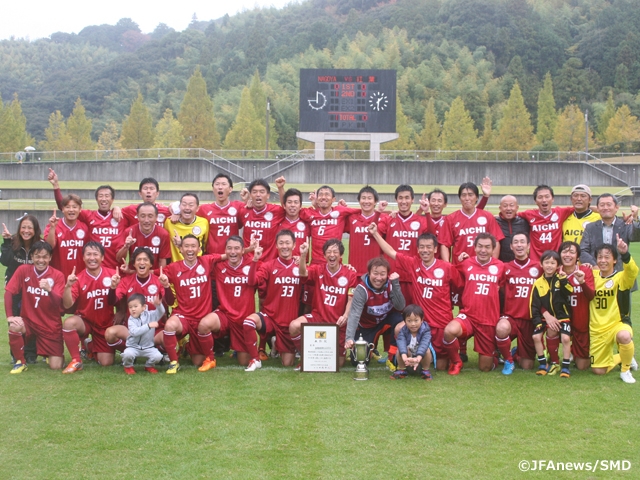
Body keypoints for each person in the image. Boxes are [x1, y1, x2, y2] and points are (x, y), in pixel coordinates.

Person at [369, 224, 459, 372]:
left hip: (441, 322)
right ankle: (400, 360)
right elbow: (391, 252)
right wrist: (375, 233)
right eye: (422, 247)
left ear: (436, 249)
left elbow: (459, 287)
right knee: (399, 328)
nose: (425, 250)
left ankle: (455, 358)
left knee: (441, 366)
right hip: (418, 324)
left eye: (429, 247)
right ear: (417, 249)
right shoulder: (413, 264)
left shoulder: (447, 267)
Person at [442, 233, 513, 375]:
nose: (483, 250)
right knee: (449, 331)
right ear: (474, 248)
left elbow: (504, 288)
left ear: (493, 249)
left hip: (488, 320)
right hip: (468, 315)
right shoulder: (467, 263)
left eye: (487, 247)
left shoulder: (500, 266)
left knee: (485, 368)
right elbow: (456, 279)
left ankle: (495, 355)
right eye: (480, 246)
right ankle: (457, 361)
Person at [158, 235, 225, 374]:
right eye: (186, 246)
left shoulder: (206, 261)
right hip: (184, 316)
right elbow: (151, 275)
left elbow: (230, 255)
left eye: (193, 246)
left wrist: (249, 250)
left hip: (202, 318)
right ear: (180, 249)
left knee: (197, 361)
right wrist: (165, 286)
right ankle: (174, 361)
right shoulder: (173, 268)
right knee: (169, 326)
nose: (190, 249)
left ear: (199, 249)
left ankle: (192, 350)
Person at [289, 239, 358, 369]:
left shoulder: (350, 274)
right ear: (324, 255)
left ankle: (325, 351)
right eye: (329, 252)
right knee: (294, 326)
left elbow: (351, 299)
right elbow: (303, 273)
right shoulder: (318, 269)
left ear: (341, 255)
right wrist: (303, 255)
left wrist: (345, 315)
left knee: (339, 364)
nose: (332, 254)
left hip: (338, 323)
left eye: (335, 252)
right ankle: (305, 356)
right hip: (318, 317)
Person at [244, 230, 304, 369]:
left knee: (287, 364)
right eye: (281, 243)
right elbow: (252, 282)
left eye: (287, 243)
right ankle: (255, 360)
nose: (284, 246)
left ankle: (277, 344)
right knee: (248, 322)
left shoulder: (300, 266)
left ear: (294, 245)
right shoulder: (268, 266)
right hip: (270, 317)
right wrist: (255, 260)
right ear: (276, 245)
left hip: (289, 323)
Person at [4, 241, 66, 373]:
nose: (41, 260)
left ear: (50, 257)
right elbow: (9, 291)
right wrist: (10, 316)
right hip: (29, 321)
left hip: (50, 325)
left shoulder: (58, 275)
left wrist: (49, 290)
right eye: (37, 256)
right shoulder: (23, 270)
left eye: (45, 257)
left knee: (56, 366)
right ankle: (20, 362)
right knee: (15, 326)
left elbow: (58, 303)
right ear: (32, 257)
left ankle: (49, 353)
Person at [580, 193, 640, 325]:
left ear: (616, 207)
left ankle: (624, 344)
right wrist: (595, 265)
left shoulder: (625, 224)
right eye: (602, 205)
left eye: (609, 204)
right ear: (598, 208)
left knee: (623, 319)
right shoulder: (590, 227)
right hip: (598, 280)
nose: (605, 208)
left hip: (620, 278)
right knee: (597, 318)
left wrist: (635, 218)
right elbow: (583, 250)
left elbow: (636, 236)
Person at [60, 242, 120, 373]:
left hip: (105, 324)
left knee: (106, 363)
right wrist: (68, 287)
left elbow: (121, 298)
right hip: (85, 321)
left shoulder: (111, 274)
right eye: (88, 254)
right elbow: (67, 304)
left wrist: (120, 312)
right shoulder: (79, 278)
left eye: (95, 254)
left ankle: (89, 346)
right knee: (69, 323)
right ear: (83, 257)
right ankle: (76, 360)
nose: (92, 258)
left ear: (102, 257)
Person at [48, 168, 124, 269]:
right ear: (96, 199)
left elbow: (144, 212)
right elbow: (65, 206)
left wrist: (117, 208)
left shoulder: (121, 216)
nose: (104, 199)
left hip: (114, 268)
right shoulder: (89, 216)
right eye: (101, 196)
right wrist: (56, 186)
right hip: (92, 267)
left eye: (107, 196)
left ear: (112, 199)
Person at [589, 236, 639, 383]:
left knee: (624, 336)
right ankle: (623, 357)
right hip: (597, 328)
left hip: (617, 323)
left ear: (615, 260)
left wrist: (625, 254)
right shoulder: (592, 276)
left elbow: (632, 271)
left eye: (607, 257)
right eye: (600, 257)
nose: (603, 260)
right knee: (598, 371)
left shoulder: (621, 278)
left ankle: (625, 370)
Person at [344, 257, 406, 364]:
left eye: (382, 274)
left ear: (387, 274)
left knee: (399, 319)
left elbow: (400, 306)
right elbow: (354, 314)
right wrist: (349, 338)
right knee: (358, 361)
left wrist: (395, 284)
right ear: (368, 273)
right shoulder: (361, 289)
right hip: (366, 326)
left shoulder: (390, 284)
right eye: (375, 273)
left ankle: (393, 355)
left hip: (385, 321)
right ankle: (371, 350)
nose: (379, 278)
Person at [2, 215, 42, 363]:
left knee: (32, 321)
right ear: (19, 229)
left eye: (29, 228)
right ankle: (16, 354)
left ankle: (31, 353)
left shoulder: (40, 245)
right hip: (15, 290)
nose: (26, 231)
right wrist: (6, 242)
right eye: (23, 227)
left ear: (35, 229)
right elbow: (5, 261)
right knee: (15, 320)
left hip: (33, 290)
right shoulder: (12, 242)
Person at [531, 250, 574, 377]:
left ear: (558, 265)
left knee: (566, 338)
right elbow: (534, 304)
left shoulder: (560, 279)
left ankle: (565, 367)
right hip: (544, 319)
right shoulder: (538, 283)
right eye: (547, 262)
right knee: (536, 337)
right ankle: (543, 364)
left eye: (552, 263)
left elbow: (569, 292)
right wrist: (537, 322)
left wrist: (563, 280)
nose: (549, 266)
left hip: (562, 317)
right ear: (541, 264)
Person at [501, 233, 540, 370]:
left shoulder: (538, 267)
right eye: (516, 242)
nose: (519, 245)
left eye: (522, 242)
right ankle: (507, 359)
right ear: (511, 247)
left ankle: (516, 354)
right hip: (510, 317)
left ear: (528, 246)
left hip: (529, 319)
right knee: (501, 329)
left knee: (527, 366)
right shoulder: (505, 267)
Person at [439, 182, 504, 263]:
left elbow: (496, 241)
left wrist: (493, 263)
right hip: (460, 267)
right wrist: (448, 266)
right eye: (463, 195)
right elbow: (445, 245)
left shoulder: (487, 216)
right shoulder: (450, 219)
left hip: (483, 266)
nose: (467, 198)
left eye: (470, 195)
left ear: (476, 197)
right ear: (460, 198)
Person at [559, 241, 594, 371]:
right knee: (551, 330)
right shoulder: (555, 272)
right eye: (564, 251)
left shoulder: (585, 271)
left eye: (572, 252)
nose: (567, 255)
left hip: (581, 321)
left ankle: (575, 351)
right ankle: (553, 358)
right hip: (561, 321)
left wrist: (582, 282)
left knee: (582, 367)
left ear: (578, 256)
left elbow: (591, 295)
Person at [516, 185, 575, 263]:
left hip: (555, 260)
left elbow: (582, 208)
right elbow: (511, 215)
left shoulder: (560, 212)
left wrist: (597, 209)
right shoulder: (529, 214)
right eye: (540, 197)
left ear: (553, 199)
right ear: (535, 201)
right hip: (535, 261)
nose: (544, 200)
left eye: (547, 196)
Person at [115, 203, 171, 273]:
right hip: (133, 277)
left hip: (154, 277)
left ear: (156, 217)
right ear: (137, 217)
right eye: (142, 216)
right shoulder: (129, 232)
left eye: (150, 216)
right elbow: (119, 259)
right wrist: (126, 246)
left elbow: (162, 263)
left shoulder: (163, 234)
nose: (146, 220)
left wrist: (157, 277)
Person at [44, 196, 90, 280]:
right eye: (68, 207)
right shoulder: (53, 225)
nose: (71, 210)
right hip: (58, 276)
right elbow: (49, 247)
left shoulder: (85, 228)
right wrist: (53, 228)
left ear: (80, 209)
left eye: (74, 207)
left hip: (79, 276)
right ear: (62, 209)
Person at [197, 173, 244, 254]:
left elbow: (255, 211)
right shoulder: (204, 209)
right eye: (217, 184)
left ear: (230, 189)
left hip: (232, 256)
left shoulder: (239, 206)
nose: (220, 187)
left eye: (224, 184)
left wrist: (248, 199)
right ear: (213, 189)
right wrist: (175, 211)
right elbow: (187, 214)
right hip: (212, 256)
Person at [239, 179, 285, 261]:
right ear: (250, 195)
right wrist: (245, 202)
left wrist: (280, 188)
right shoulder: (244, 210)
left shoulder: (275, 211)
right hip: (248, 261)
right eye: (254, 192)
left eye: (262, 192)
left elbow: (286, 207)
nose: (258, 195)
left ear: (268, 195)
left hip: (269, 262)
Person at [344, 186, 386, 276]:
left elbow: (373, 232)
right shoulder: (351, 218)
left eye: (369, 198)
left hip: (376, 273)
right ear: (359, 201)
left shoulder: (384, 218)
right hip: (355, 271)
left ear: (375, 202)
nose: (366, 201)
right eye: (363, 198)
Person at [121, 293, 165, 375]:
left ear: (144, 307)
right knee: (127, 354)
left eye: (135, 306)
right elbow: (134, 332)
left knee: (158, 356)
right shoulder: (131, 320)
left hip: (148, 347)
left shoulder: (150, 315)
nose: (133, 309)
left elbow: (161, 312)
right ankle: (128, 366)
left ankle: (149, 366)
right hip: (133, 347)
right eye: (130, 307)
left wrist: (158, 305)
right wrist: (148, 325)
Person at [390, 305, 433, 380]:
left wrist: (417, 359)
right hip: (408, 358)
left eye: (416, 320)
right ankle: (402, 370)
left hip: (421, 357)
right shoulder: (403, 330)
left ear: (422, 320)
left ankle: (425, 370)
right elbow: (401, 343)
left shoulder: (426, 330)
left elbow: (424, 345)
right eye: (409, 321)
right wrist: (405, 358)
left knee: (427, 350)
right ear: (405, 321)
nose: (413, 324)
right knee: (400, 349)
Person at [164, 193, 209, 262]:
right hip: (175, 267)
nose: (187, 207)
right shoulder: (169, 222)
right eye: (184, 204)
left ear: (197, 208)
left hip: (196, 266)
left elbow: (205, 245)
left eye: (191, 205)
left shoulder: (203, 222)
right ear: (179, 207)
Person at [495, 195, 529, 263]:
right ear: (500, 208)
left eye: (511, 205)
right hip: (501, 263)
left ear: (517, 208)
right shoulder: (494, 222)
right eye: (505, 206)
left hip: (520, 263)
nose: (508, 208)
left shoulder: (525, 222)